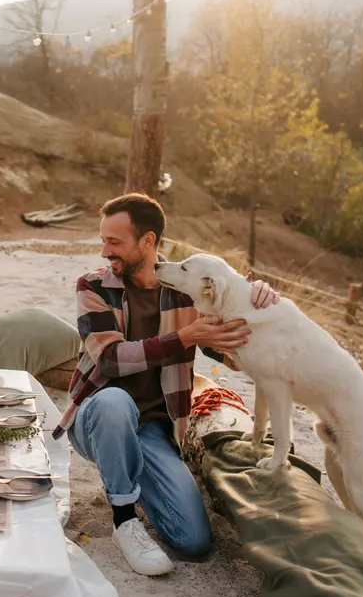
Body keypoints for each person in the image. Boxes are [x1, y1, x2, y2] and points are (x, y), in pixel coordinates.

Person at [54, 193, 279, 576]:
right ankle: (124, 520)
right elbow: (110, 358)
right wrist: (183, 338)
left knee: (193, 541)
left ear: (148, 241)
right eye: (104, 239)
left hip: (153, 428)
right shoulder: (93, 286)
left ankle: (130, 471)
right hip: (96, 419)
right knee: (114, 402)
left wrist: (260, 306)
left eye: (115, 241)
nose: (105, 250)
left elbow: (233, 353)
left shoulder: (186, 291)